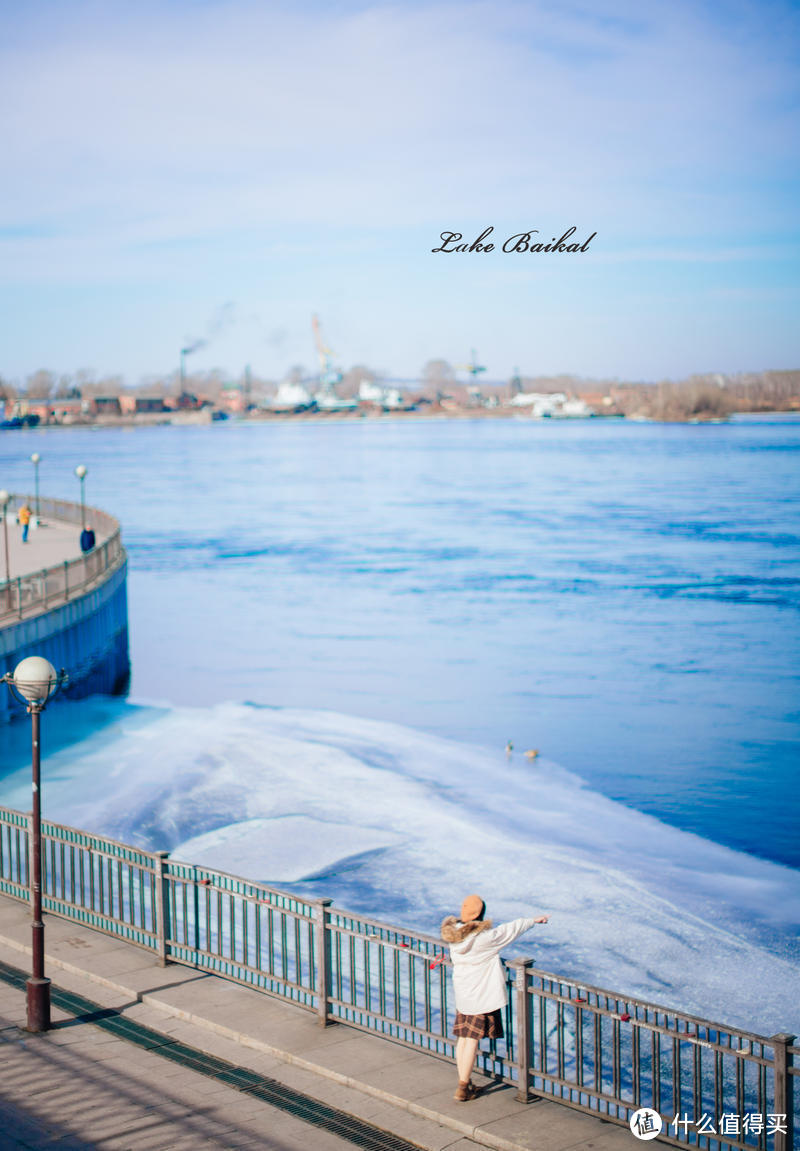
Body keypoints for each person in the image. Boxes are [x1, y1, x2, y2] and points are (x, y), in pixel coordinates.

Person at [441, 894, 548, 1102]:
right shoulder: (484, 938)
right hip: (479, 993)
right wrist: (533, 921)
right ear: (481, 914)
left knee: (463, 1039)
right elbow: (509, 931)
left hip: (463, 992)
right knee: (471, 1040)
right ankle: (463, 1087)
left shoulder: (454, 936)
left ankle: (464, 1082)